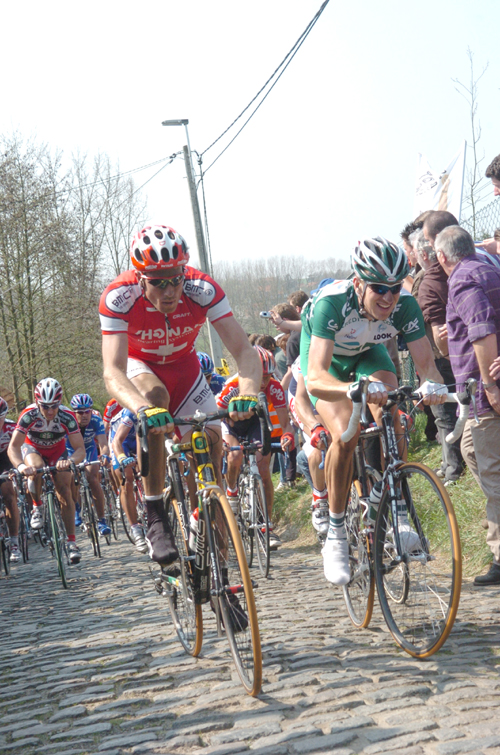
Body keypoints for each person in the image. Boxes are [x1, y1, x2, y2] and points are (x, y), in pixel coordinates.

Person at [99, 224, 261, 566]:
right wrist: (142, 409)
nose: (170, 289)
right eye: (158, 282)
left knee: (212, 444)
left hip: (185, 369)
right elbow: (112, 371)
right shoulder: (119, 297)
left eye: (176, 278)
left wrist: (247, 393)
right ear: (141, 279)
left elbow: (245, 352)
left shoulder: (202, 289)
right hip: (139, 366)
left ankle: (215, 566)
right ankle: (155, 512)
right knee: (156, 400)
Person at [301, 237, 447, 586]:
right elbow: (318, 377)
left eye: (395, 288)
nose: (388, 297)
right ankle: (336, 532)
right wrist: (354, 389)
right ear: (358, 283)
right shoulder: (331, 304)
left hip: (368, 353)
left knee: (394, 415)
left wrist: (434, 386)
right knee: (345, 435)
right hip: (329, 363)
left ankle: (398, 514)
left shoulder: (405, 305)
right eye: (379, 288)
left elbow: (428, 367)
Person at [435, 225, 500, 585]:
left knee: (492, 474)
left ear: (443, 256)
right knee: (469, 448)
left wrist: (490, 386)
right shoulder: (488, 266)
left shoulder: (461, 280)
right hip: (478, 396)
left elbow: (482, 329)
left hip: (484, 392)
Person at [217, 345, 294, 549]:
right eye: (259, 376)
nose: (263, 382)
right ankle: (232, 491)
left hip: (255, 423)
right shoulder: (232, 384)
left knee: (262, 468)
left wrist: (287, 434)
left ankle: (266, 525)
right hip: (230, 424)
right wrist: (221, 443)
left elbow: (285, 421)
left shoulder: (274, 386)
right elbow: (216, 416)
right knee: (234, 458)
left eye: (267, 377)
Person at [8, 378, 86, 565]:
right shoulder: (28, 415)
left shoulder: (67, 416)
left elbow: (80, 450)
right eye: (45, 406)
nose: (50, 411)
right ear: (37, 403)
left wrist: (70, 461)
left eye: (54, 406)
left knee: (65, 491)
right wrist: (20, 466)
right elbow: (14, 447)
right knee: (36, 469)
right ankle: (37, 506)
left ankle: (71, 542)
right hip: (32, 448)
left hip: (57, 452)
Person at [414, 232, 464, 485]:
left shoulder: (428, 281)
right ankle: (448, 462)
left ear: (425, 255)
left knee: (444, 413)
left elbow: (419, 319)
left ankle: (453, 467)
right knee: (453, 410)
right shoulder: (450, 273)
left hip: (436, 355)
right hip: (449, 352)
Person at [67, 394, 112, 536]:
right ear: (74, 412)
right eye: (80, 412)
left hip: (89, 449)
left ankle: (101, 520)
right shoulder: (68, 421)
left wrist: (104, 455)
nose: (85, 415)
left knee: (93, 478)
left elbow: (104, 444)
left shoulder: (96, 420)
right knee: (73, 476)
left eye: (88, 411)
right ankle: (76, 507)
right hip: (71, 450)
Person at [109, 407, 148, 553]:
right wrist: (122, 458)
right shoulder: (130, 413)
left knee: (149, 470)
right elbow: (116, 442)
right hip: (121, 440)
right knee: (126, 478)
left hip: (140, 437)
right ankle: (135, 528)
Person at [0, 398, 21, 563]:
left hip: (7, 459)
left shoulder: (11, 427)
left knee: (8, 494)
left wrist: (18, 468)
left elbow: (21, 450)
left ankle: (14, 541)